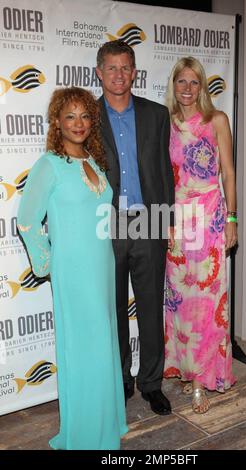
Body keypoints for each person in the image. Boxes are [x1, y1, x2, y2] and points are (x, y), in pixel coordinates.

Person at [17, 87, 127, 450]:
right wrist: (48, 263)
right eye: (70, 117)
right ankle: (85, 433)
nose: (78, 123)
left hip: (102, 265)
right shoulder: (49, 165)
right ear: (57, 123)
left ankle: (106, 424)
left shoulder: (94, 162)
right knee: (84, 349)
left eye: (84, 116)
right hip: (74, 272)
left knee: (103, 344)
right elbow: (27, 220)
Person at [96, 40, 175, 415]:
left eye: (125, 67)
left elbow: (164, 173)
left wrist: (168, 220)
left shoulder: (157, 115)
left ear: (135, 72)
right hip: (104, 226)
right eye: (111, 67)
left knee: (150, 309)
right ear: (99, 72)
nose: (119, 74)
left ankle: (151, 383)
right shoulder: (86, 117)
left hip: (149, 221)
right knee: (111, 309)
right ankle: (121, 380)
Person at [163, 57, 237, 414]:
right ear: (173, 85)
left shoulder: (216, 121)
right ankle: (184, 369)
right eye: (182, 82)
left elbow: (229, 174)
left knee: (208, 303)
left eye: (194, 82)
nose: (188, 89)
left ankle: (202, 381)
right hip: (178, 219)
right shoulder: (166, 124)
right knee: (180, 299)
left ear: (202, 86)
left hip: (209, 218)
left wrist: (233, 218)